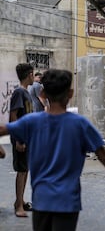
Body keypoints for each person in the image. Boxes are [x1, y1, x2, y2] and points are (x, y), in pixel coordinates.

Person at [0, 69, 105, 231]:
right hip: (68, 202)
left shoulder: (31, 122)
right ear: (71, 93)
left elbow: (3, 129)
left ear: (43, 93)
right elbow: (103, 155)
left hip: (42, 200)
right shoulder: (81, 124)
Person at [10, 63, 34, 217]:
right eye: (33, 74)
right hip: (21, 138)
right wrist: (19, 140)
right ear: (29, 75)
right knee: (21, 170)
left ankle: (21, 200)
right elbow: (13, 115)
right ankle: (19, 205)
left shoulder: (26, 92)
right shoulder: (19, 92)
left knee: (25, 170)